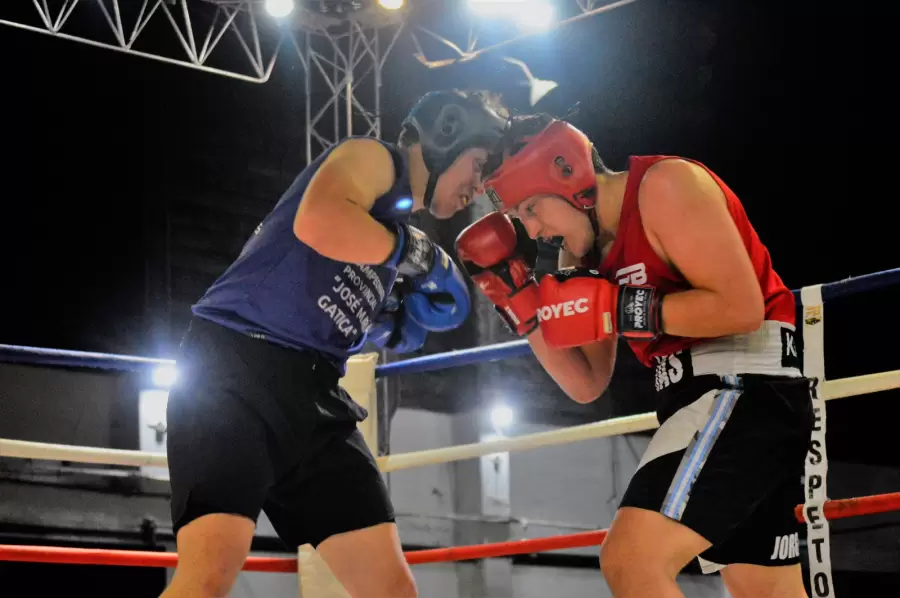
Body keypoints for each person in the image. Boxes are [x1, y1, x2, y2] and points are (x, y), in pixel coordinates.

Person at [161, 90, 509, 598]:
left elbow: (324, 295)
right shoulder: (372, 158)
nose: (476, 186)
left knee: (390, 590)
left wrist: (385, 323)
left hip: (314, 394)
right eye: (478, 164)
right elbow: (318, 221)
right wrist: (420, 255)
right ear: (445, 137)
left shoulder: (386, 231)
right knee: (209, 574)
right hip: (234, 368)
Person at [455, 114, 813, 598]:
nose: (534, 231)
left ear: (568, 173)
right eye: (522, 219)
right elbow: (586, 383)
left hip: (743, 389)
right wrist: (521, 305)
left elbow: (742, 307)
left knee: (631, 560)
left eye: (533, 208)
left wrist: (622, 309)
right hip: (703, 401)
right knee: (767, 592)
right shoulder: (579, 259)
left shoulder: (665, 185)